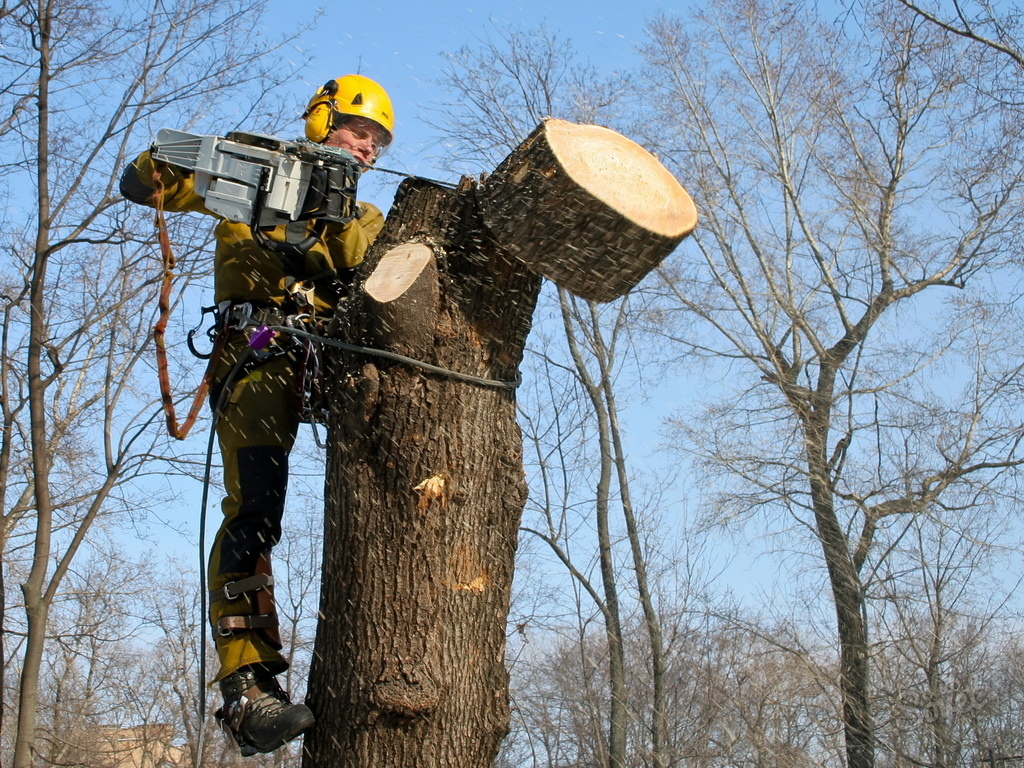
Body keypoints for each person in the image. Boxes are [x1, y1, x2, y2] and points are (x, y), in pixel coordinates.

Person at [120, 75, 394, 756]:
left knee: (395, 483)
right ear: (321, 119)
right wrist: (219, 161)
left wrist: (325, 230)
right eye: (358, 131)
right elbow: (142, 182)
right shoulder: (250, 186)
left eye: (377, 142)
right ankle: (247, 688)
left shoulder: (366, 221)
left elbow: (378, 279)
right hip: (262, 354)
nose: (366, 148)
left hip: (336, 362)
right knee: (255, 510)